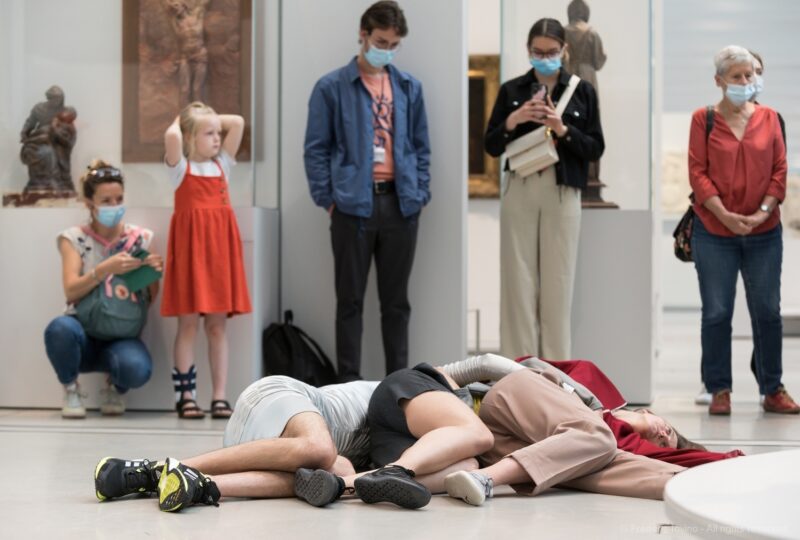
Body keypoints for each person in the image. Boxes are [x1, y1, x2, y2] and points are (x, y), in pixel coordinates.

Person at [93, 357, 490, 512]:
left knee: (326, 476)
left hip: (280, 444)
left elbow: (464, 461)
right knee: (320, 449)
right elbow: (474, 367)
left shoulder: (411, 445)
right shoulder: (421, 389)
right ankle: (156, 468)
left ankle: (202, 485)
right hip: (282, 399)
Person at [304, 0, 431, 382]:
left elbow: (422, 147)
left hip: (401, 205)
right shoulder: (331, 87)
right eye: (380, 41)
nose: (386, 50)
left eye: (394, 44)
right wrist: (329, 199)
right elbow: (316, 149)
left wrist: (419, 193)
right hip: (351, 208)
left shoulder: (409, 87)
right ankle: (348, 385)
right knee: (350, 302)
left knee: (397, 305)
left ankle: (400, 388)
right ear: (363, 35)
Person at [443, 367, 742, 506]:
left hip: (506, 447)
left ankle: (695, 486)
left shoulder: (628, 446)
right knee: (599, 438)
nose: (662, 435)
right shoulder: (601, 398)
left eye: (663, 443)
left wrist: (722, 466)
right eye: (668, 429)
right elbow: (492, 364)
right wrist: (448, 377)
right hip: (510, 399)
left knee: (598, 465)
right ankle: (487, 479)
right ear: (650, 411)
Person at [485, 18, 604, 361]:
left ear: (565, 50)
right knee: (517, 284)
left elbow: (595, 148)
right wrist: (515, 119)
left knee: (558, 284)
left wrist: (562, 128)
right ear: (528, 50)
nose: (545, 57)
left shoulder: (582, 91)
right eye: (537, 52)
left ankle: (557, 376)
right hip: (520, 187)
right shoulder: (511, 90)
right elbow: (491, 144)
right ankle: (516, 373)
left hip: (562, 190)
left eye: (552, 52)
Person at [688, 45, 798, 415]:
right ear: (719, 81)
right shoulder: (702, 119)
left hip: (764, 231)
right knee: (717, 312)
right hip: (713, 232)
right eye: (737, 76)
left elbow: (780, 170)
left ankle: (773, 388)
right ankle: (719, 389)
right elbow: (698, 174)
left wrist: (761, 212)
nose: (745, 82)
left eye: (749, 75)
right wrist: (726, 215)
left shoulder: (770, 118)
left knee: (767, 311)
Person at [44, 161, 162, 418]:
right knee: (59, 329)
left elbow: (151, 298)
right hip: (82, 331)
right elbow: (71, 291)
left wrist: (153, 272)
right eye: (106, 200)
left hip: (123, 335)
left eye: (119, 199)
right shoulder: (74, 238)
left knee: (137, 368)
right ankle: (71, 388)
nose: (115, 206)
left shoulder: (141, 238)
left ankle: (114, 388)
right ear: (89, 202)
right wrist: (104, 269)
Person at [162, 101, 251, 419]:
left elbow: (237, 120)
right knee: (187, 325)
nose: (217, 137)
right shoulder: (180, 167)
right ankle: (185, 395)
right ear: (189, 136)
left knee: (217, 327)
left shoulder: (221, 165)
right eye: (209, 133)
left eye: (217, 132)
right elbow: (172, 135)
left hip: (218, 254)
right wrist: (182, 119)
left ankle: (219, 396)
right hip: (190, 253)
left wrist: (209, 117)